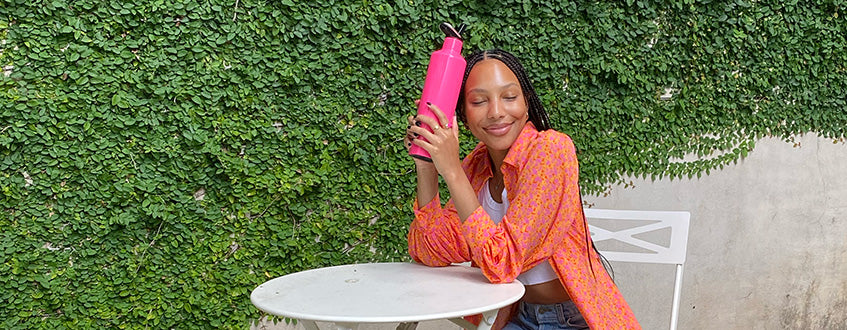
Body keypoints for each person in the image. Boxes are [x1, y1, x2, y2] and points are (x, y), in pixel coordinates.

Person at [403, 49, 640, 329]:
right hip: (518, 315)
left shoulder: (550, 151)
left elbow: (502, 262)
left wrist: (452, 171)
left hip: (573, 319)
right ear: (463, 116)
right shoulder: (477, 167)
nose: (496, 112)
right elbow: (429, 250)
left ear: (526, 104)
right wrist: (427, 164)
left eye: (510, 97)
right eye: (479, 101)